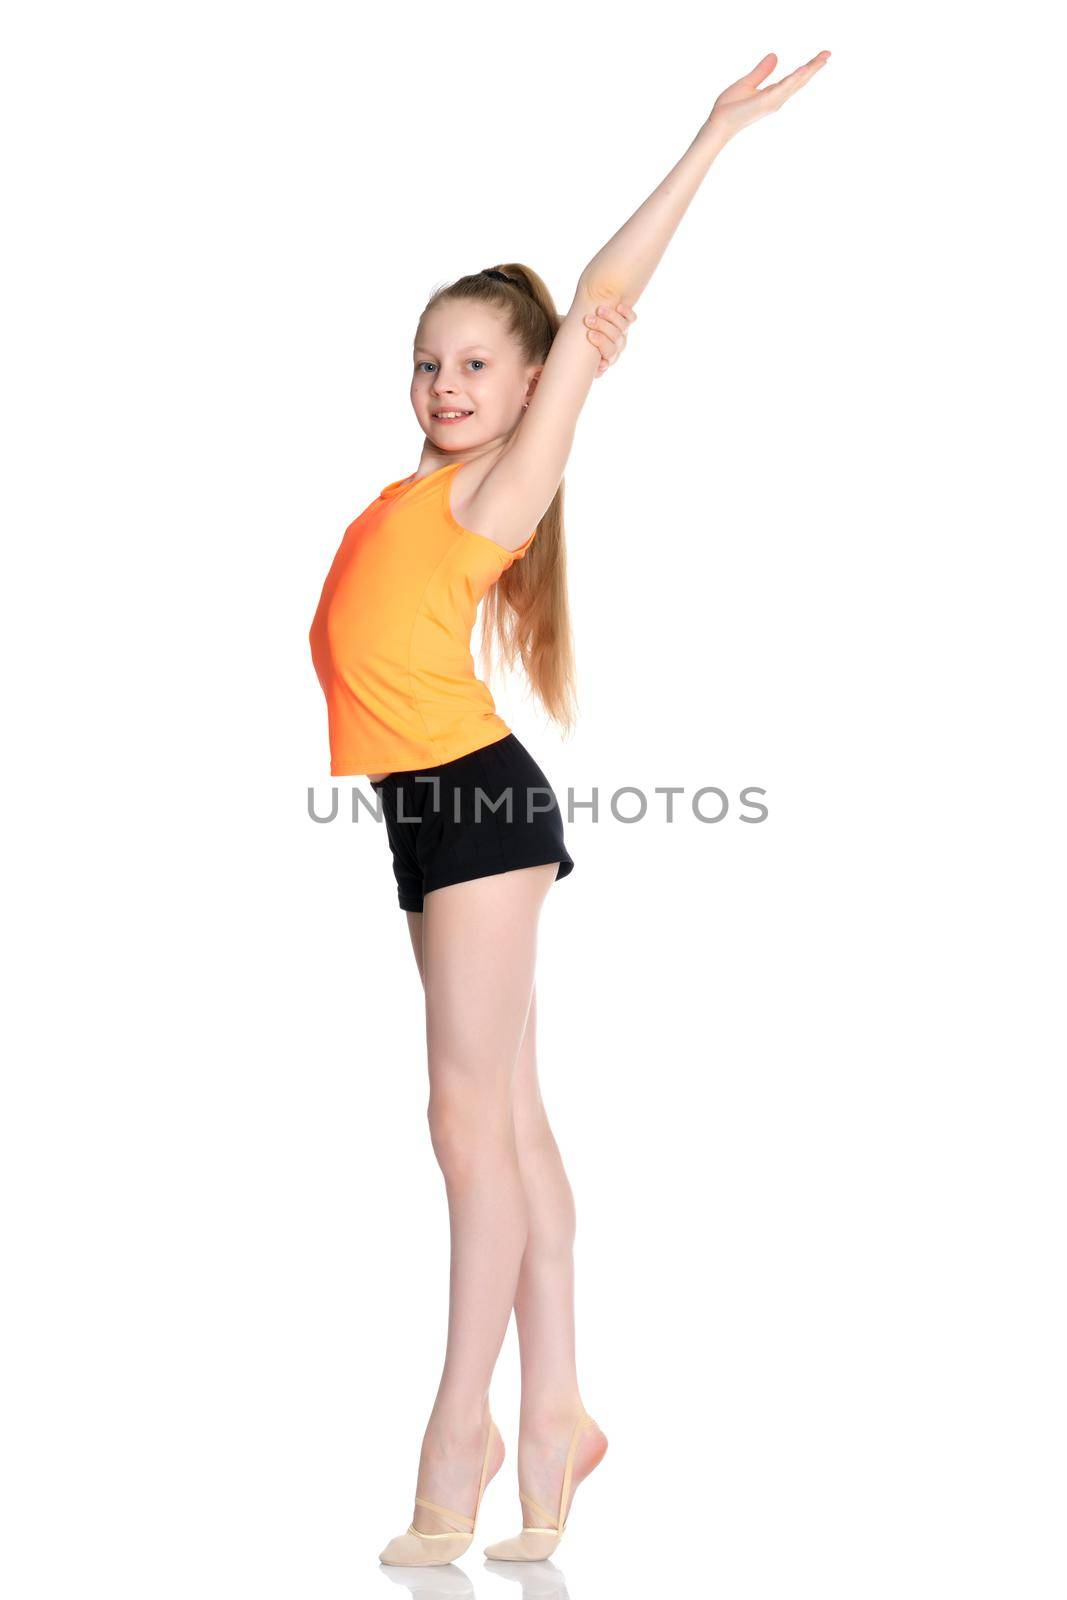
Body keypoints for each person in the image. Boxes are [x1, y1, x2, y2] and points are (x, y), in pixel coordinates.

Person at [308, 48, 831, 1568]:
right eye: (430, 362)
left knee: (462, 1124)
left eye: (477, 365)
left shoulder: (500, 488)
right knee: (512, 1122)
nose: (447, 386)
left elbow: (596, 292)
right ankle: (560, 1417)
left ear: (535, 382)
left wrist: (710, 138)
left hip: (475, 809)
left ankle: (454, 1435)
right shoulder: (421, 482)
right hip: (436, 818)